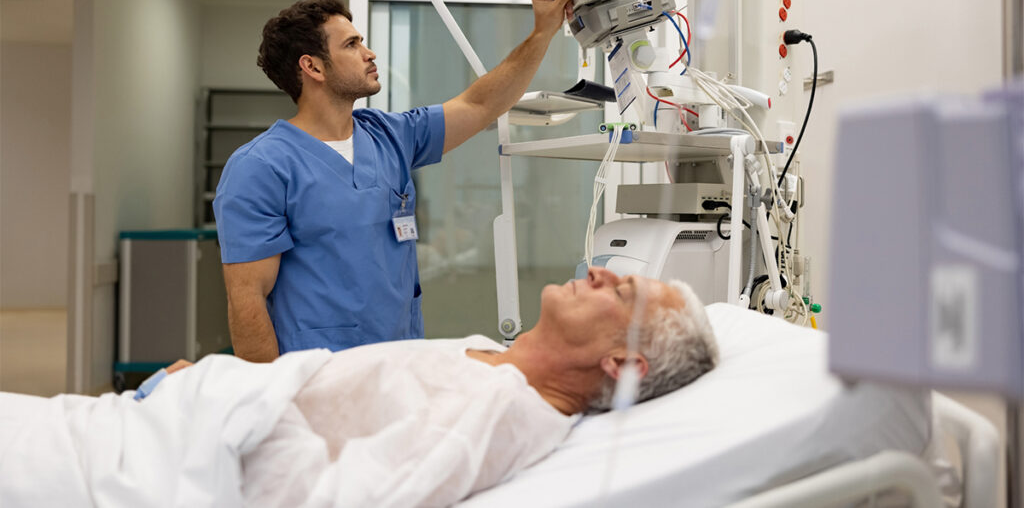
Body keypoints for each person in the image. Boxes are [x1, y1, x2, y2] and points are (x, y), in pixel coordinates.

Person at [0, 269, 719, 508]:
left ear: (623, 365)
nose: (599, 271)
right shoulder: (491, 358)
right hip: (138, 427)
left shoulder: (500, 410)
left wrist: (228, 399)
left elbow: (332, 499)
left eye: (620, 291)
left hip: (134, 470)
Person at [213, 0, 576, 361]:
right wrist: (272, 393)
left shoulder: (390, 135)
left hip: (402, 361)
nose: (369, 53)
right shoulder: (260, 167)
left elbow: (480, 104)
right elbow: (247, 301)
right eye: (352, 44)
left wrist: (543, 32)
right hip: (320, 373)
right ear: (313, 67)